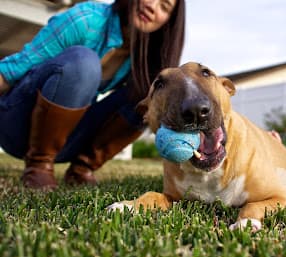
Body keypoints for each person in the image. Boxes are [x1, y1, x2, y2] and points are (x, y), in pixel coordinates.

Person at [0, 0, 185, 190]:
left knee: (151, 93)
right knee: (85, 62)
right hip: (14, 124)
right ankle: (38, 165)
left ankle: (82, 168)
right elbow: (12, 69)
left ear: (168, 22)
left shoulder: (143, 57)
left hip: (64, 142)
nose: (152, 7)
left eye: (164, 7)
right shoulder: (87, 20)